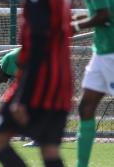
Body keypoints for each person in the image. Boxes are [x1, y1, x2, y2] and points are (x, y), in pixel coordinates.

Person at [0, 0, 72, 167]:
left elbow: (37, 48)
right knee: (49, 149)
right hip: (61, 81)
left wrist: (22, 97)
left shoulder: (37, 3)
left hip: (40, 84)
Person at [71, 1, 114, 167]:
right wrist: (74, 19)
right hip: (101, 51)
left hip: (111, 52)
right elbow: (101, 12)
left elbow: (103, 16)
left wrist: (75, 26)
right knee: (86, 107)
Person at [0, 47, 39, 147]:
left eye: (0, 81)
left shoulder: (6, 66)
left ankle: (38, 139)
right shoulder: (5, 61)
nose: (5, 81)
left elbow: (25, 79)